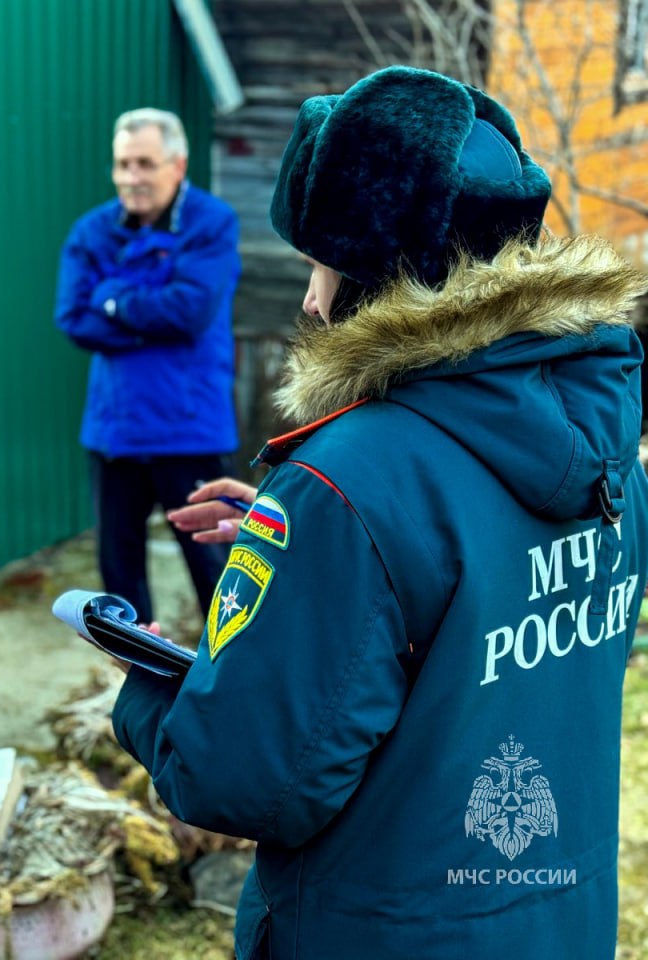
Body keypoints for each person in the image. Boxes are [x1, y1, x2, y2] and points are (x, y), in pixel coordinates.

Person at [111, 66, 648, 958]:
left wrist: (144, 686)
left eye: (321, 260)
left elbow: (248, 779)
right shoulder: (607, 448)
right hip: (556, 919)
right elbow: (476, 594)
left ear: (377, 269)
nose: (312, 296)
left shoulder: (348, 481)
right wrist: (313, 559)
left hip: (385, 929)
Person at [54, 107, 242, 624]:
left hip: (189, 428)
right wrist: (149, 312)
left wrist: (113, 299)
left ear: (178, 165)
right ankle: (140, 684)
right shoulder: (91, 231)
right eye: (122, 164)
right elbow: (73, 318)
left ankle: (226, 687)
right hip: (113, 432)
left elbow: (191, 311)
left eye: (145, 163)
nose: (131, 178)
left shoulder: (212, 223)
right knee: (121, 581)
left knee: (219, 576)